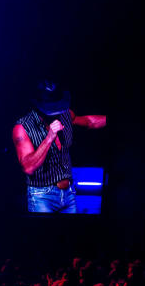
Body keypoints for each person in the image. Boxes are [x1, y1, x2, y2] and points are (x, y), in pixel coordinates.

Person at [12, 80, 106, 213]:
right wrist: (49, 137)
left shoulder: (65, 115)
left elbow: (89, 122)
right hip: (42, 196)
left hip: (68, 193)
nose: (56, 112)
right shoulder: (22, 127)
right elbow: (28, 167)